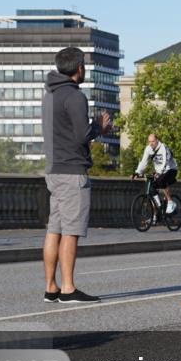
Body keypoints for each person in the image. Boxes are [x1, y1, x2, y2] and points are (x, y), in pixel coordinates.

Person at [41, 47, 111, 304]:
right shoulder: (75, 96)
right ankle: (68, 288)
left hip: (54, 170)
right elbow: (82, 135)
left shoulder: (49, 94)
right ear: (79, 68)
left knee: (54, 230)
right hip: (72, 172)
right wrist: (99, 128)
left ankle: (51, 287)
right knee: (70, 231)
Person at [131, 133, 179, 213]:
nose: (151, 143)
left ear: (157, 140)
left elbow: (165, 162)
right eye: (149, 141)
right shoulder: (148, 149)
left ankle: (170, 202)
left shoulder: (163, 148)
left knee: (161, 180)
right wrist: (137, 172)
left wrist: (159, 173)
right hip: (159, 171)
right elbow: (143, 162)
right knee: (151, 187)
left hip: (171, 169)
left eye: (153, 141)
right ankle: (158, 208)